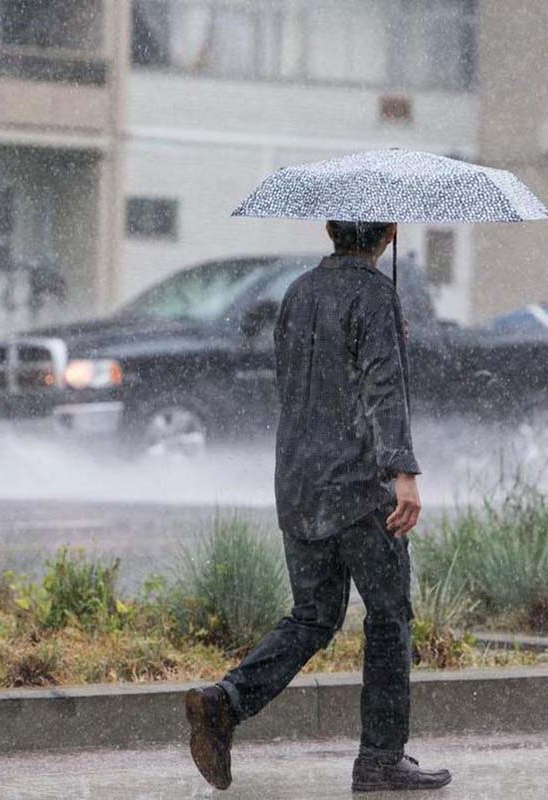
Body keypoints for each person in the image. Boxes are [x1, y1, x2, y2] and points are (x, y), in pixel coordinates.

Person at [184, 220, 452, 793]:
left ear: (331, 229)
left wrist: (385, 334)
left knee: (313, 615)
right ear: (390, 233)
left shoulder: (298, 291)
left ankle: (225, 702)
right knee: (389, 617)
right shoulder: (376, 294)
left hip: (299, 480)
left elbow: (302, 378)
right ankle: (380, 759)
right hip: (359, 487)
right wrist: (402, 470)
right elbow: (382, 386)